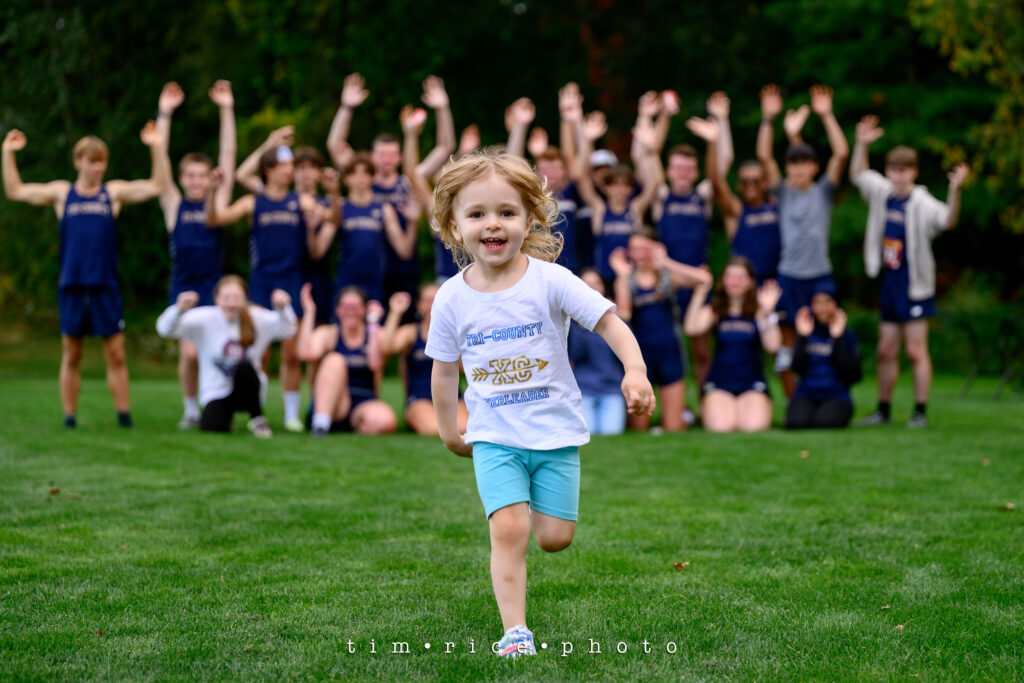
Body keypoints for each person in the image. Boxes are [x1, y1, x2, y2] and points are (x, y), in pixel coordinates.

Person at [425, 148, 655, 658]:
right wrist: (449, 429)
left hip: (554, 432)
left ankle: (530, 507)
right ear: (455, 226)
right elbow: (443, 371)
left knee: (554, 538)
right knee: (509, 530)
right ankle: (515, 634)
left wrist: (635, 371)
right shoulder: (451, 298)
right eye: (477, 213)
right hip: (494, 434)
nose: (493, 224)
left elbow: (610, 323)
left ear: (529, 218)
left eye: (506, 212)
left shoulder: (551, 280)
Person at [2, 122, 168, 429]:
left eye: (102, 162)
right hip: (72, 284)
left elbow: (158, 185)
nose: (98, 168)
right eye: (92, 161)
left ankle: (124, 416)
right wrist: (7, 153)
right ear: (78, 161)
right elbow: (15, 190)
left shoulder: (112, 194)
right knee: (72, 353)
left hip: (105, 284)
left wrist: (157, 147)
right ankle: (69, 418)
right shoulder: (62, 194)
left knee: (116, 355)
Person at [206, 143, 337, 432]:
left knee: (292, 353)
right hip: (261, 284)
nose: (291, 171)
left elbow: (333, 218)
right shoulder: (253, 202)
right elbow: (215, 219)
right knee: (257, 353)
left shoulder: (301, 201)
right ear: (269, 170)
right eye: (285, 166)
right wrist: (213, 191)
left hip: (291, 283)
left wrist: (333, 193)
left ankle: (291, 416)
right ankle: (257, 411)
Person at [850, 115, 969, 428]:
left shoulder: (922, 202)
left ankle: (920, 411)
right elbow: (859, 175)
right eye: (893, 170)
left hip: (915, 284)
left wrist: (955, 190)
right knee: (885, 349)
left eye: (904, 170)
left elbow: (948, 220)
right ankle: (883, 410)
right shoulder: (883, 193)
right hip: (890, 280)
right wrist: (861, 144)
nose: (898, 176)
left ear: (914, 172)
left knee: (916, 351)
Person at [155, 80, 237, 429]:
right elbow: (159, 159)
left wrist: (226, 108)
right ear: (182, 178)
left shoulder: (217, 201)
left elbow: (228, 156)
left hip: (214, 291)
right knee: (189, 352)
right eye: (190, 176)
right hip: (184, 289)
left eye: (202, 176)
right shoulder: (174, 204)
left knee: (219, 352)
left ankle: (217, 406)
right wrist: (164, 114)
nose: (196, 181)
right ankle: (190, 409)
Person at [757, 84, 849, 397]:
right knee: (787, 343)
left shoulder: (823, 191)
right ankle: (793, 401)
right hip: (789, 276)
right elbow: (764, 156)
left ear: (814, 168)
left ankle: (827, 393)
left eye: (804, 164)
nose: (798, 170)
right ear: (787, 169)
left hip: (819, 275)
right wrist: (768, 119)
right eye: (793, 165)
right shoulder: (783, 192)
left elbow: (841, 153)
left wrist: (826, 115)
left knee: (825, 337)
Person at [155, 276, 297, 437]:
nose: (231, 303)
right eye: (226, 298)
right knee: (211, 426)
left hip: (249, 390)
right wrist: (179, 309)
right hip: (216, 391)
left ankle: (258, 419)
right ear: (216, 299)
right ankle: (225, 420)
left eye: (236, 298)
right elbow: (164, 329)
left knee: (243, 366)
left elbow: (288, 330)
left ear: (245, 298)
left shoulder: (257, 317)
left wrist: (283, 308)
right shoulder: (204, 318)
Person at [609, 232, 711, 432]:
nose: (641, 254)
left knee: (674, 427)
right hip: (639, 357)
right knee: (638, 427)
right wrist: (622, 275)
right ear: (629, 253)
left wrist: (666, 262)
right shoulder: (626, 279)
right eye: (636, 249)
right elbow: (625, 314)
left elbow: (704, 279)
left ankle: (685, 414)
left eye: (645, 248)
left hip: (669, 353)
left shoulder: (666, 276)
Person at [684, 257, 782, 433]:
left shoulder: (759, 312)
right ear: (723, 281)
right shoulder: (716, 310)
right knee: (721, 427)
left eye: (740, 277)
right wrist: (701, 291)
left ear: (751, 282)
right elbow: (691, 328)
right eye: (730, 276)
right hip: (720, 383)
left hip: (752, 383)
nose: (735, 281)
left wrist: (769, 311)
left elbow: (773, 346)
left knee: (753, 427)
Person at [308, 153, 410, 307]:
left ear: (372, 177)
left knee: (375, 323)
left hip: (375, 283)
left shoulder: (384, 209)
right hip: (346, 282)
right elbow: (318, 251)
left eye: (365, 172)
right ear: (346, 178)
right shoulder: (339, 209)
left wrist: (412, 222)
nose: (360, 178)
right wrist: (311, 229)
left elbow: (404, 250)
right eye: (354, 173)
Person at [574, 109, 663, 283]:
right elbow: (579, 177)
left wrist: (650, 149)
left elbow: (656, 182)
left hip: (632, 280)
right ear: (605, 187)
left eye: (625, 185)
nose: (620, 189)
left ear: (630, 189)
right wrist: (587, 140)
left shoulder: (635, 208)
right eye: (615, 184)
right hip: (604, 280)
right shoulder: (599, 208)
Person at [296, 284, 398, 436]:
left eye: (355, 307)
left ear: (364, 310)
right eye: (345, 306)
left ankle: (357, 428)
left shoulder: (375, 333)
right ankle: (320, 424)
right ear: (337, 310)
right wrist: (309, 312)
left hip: (363, 403)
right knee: (335, 360)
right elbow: (305, 354)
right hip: (334, 403)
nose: (350, 311)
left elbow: (375, 364)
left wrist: (373, 324)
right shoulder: (328, 333)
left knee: (386, 421)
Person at [378, 286, 469, 435]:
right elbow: (387, 347)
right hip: (419, 399)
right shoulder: (411, 333)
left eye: (436, 300)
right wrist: (396, 312)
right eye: (428, 300)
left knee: (465, 428)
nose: (432, 305)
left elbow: (466, 368)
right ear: (419, 305)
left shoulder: (454, 334)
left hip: (452, 397)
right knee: (433, 429)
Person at [785, 283, 862, 429]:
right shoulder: (806, 333)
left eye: (827, 302)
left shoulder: (848, 337)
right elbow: (797, 368)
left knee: (825, 423)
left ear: (836, 305)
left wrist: (838, 338)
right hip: (807, 392)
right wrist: (802, 337)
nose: (822, 308)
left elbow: (852, 375)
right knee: (795, 423)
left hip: (836, 395)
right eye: (818, 303)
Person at [567, 268, 627, 436]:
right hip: (584, 390)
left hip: (611, 389)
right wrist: (581, 326)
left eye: (596, 283)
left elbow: (626, 353)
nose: (592, 288)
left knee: (612, 433)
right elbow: (574, 355)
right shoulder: (570, 322)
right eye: (587, 284)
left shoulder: (616, 320)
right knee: (588, 434)